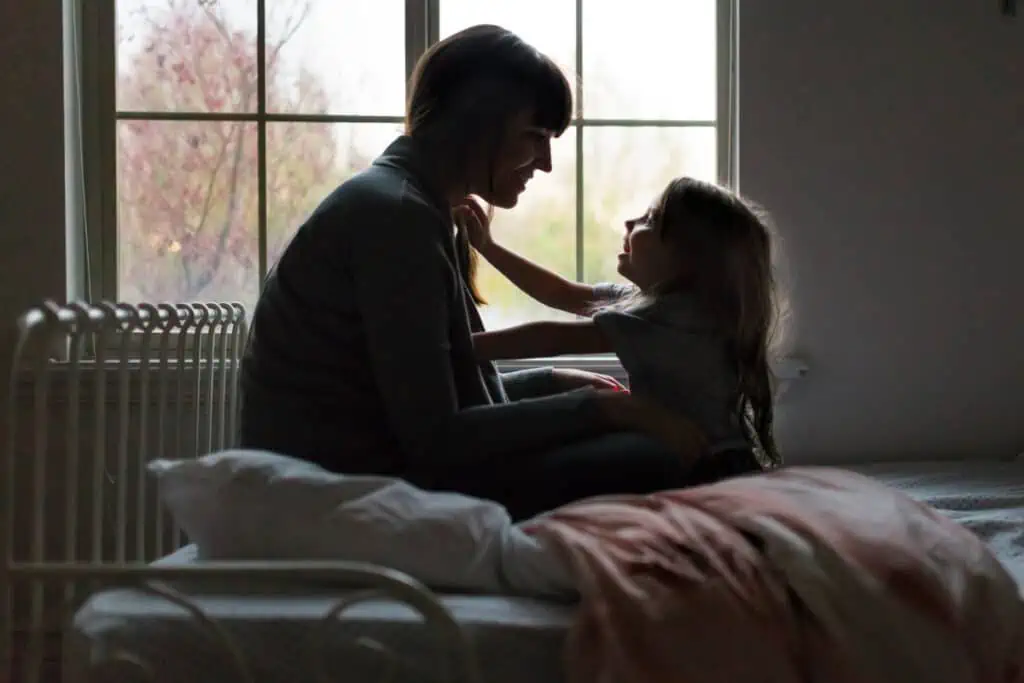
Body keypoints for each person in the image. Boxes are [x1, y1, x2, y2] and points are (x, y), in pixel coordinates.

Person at [239, 24, 707, 521]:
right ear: (477, 124)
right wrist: (601, 409)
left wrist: (554, 382)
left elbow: (443, 396)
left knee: (637, 442)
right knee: (654, 460)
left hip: (374, 466)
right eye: (535, 137)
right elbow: (438, 438)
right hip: (353, 494)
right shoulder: (396, 220)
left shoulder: (411, 205)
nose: (545, 163)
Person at [462, 175, 783, 479]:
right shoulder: (653, 303)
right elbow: (562, 293)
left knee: (565, 463)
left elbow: (553, 338)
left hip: (706, 464)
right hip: (697, 451)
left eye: (650, 221)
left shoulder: (675, 319)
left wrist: (458, 346)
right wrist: (488, 247)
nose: (631, 223)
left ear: (687, 259)